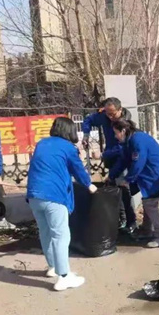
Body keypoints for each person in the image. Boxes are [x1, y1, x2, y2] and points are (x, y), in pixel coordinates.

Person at [27, 117, 97, 291]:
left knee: (45, 232)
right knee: (61, 235)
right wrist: (89, 185)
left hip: (34, 195)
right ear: (70, 131)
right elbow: (78, 169)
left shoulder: (42, 144)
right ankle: (64, 277)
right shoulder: (68, 147)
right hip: (54, 196)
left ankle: (53, 267)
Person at [109, 119, 159, 248]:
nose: (115, 136)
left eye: (116, 133)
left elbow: (138, 163)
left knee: (150, 204)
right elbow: (123, 160)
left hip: (156, 178)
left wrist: (127, 179)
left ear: (123, 131)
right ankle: (146, 230)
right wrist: (111, 176)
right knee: (148, 202)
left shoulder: (138, 141)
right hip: (151, 178)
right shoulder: (129, 142)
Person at [81, 97, 136, 232]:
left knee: (125, 190)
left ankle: (131, 222)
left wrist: (102, 155)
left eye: (113, 114)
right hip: (112, 159)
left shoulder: (125, 124)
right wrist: (86, 134)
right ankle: (121, 219)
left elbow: (122, 147)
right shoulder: (104, 117)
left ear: (120, 110)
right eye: (107, 113)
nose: (110, 117)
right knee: (115, 189)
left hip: (123, 158)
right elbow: (88, 120)